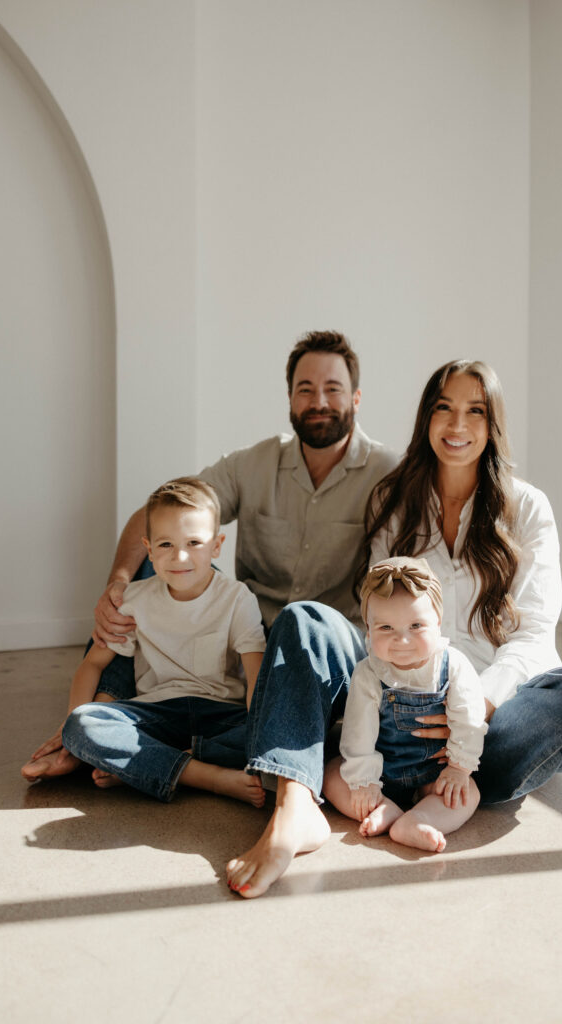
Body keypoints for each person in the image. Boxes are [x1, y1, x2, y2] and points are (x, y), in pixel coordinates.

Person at [86, 331, 398, 897]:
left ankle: (285, 800)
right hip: (244, 640)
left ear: (356, 399)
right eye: (306, 389)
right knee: (165, 560)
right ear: (289, 398)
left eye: (333, 388)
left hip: (329, 645)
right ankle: (99, 719)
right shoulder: (254, 463)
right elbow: (161, 512)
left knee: (298, 618)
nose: (319, 400)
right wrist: (117, 582)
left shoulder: (389, 472)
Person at [339, 359, 562, 810]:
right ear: (426, 417)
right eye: (444, 407)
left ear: (493, 424)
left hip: (496, 710)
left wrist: (476, 707)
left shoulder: (527, 507)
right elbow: (376, 614)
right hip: (407, 708)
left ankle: (464, 777)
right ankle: (443, 781)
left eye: (476, 411)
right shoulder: (392, 502)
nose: (457, 424)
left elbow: (534, 633)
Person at [22, 478, 267, 807]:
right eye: (165, 545)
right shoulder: (134, 600)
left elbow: (256, 678)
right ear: (148, 549)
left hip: (220, 715)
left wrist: (255, 733)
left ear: (217, 545)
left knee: (272, 729)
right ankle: (206, 775)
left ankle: (146, 764)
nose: (180, 556)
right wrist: (70, 732)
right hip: (155, 715)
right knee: (82, 725)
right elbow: (93, 664)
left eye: (194, 542)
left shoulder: (238, 598)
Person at [323, 557, 487, 853]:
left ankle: (420, 819)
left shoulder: (453, 666)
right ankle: (384, 808)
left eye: (416, 625)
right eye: (386, 627)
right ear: (368, 631)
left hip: (435, 772)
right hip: (381, 773)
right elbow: (358, 733)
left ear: (438, 622)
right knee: (331, 776)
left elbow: (469, 720)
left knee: (467, 795)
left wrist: (459, 768)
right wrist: (364, 780)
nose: (402, 639)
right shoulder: (369, 672)